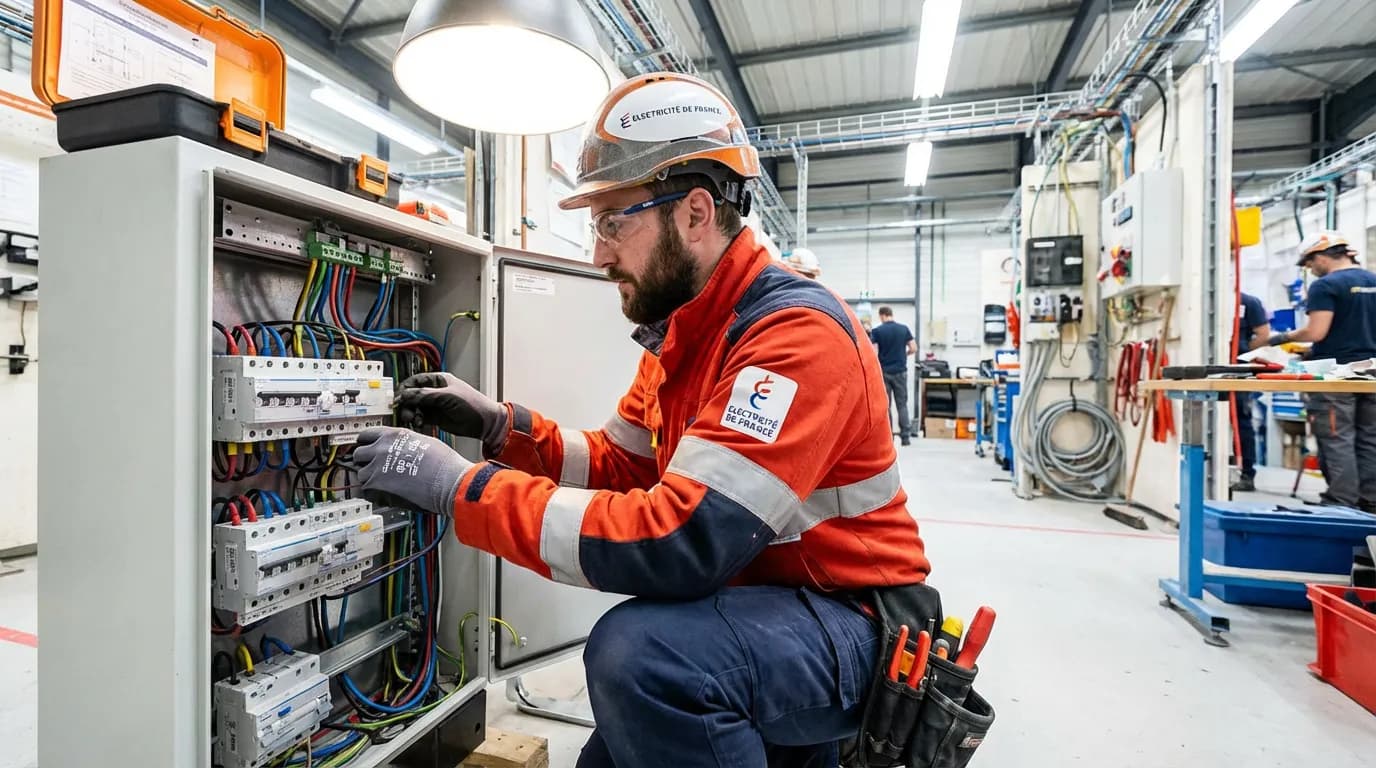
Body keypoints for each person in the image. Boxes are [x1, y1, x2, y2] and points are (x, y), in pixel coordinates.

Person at [351, 73, 934, 767]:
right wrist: (503, 427)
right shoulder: (684, 335)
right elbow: (619, 465)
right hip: (760, 608)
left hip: (854, 622)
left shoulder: (794, 339)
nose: (598, 254)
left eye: (611, 222)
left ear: (693, 212)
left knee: (644, 660)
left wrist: (461, 489)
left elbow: (683, 541)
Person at [1268, 231, 1376, 510]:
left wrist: (1282, 338)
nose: (1310, 270)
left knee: (1337, 438)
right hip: (1372, 374)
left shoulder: (1326, 285)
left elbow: (1316, 331)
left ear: (1321, 257)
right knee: (1370, 438)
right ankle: (1370, 503)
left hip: (1337, 376)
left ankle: (1341, 503)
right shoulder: (1373, 280)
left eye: (1309, 263)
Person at [1231, 292, 1271, 492]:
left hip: (1238, 370)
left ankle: (1247, 473)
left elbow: (1264, 334)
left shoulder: (1248, 301)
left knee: (1241, 420)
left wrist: (1244, 351)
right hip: (1208, 366)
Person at [868, 306, 917, 446]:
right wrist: (904, 355)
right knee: (902, 404)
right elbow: (913, 347)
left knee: (886, 405)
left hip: (884, 372)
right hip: (901, 372)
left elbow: (873, 352)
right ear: (891, 314)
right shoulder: (904, 329)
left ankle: (889, 437)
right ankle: (905, 437)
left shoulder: (877, 331)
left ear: (882, 316)